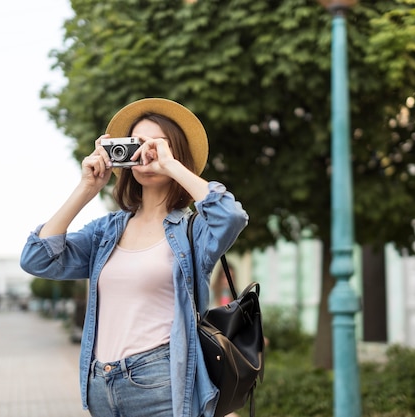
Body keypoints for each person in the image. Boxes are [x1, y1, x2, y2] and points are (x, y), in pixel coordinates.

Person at [20, 98, 248, 417]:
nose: (145, 152)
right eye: (137, 144)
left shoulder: (192, 230)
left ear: (176, 154)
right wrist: (87, 187)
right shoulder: (106, 231)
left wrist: (170, 165)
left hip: (159, 380)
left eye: (157, 144)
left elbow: (231, 215)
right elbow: (37, 259)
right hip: (100, 383)